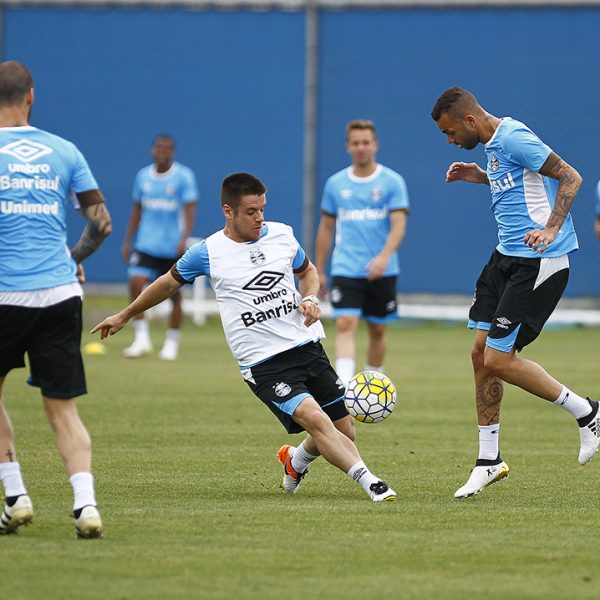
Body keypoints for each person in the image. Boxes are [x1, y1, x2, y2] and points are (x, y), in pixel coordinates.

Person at [92, 172, 397, 502]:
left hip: (306, 347)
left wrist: (310, 297)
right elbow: (167, 283)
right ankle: (370, 481)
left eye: (262, 209)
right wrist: (125, 314)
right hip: (264, 363)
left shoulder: (281, 235)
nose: (259, 217)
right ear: (228, 211)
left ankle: (295, 461)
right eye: (251, 211)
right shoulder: (207, 251)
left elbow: (307, 271)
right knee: (316, 419)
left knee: (343, 428)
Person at [431, 86, 599, 498]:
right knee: (479, 354)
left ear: (469, 120)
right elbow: (515, 177)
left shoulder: (513, 136)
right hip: (505, 257)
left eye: (451, 132)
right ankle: (488, 461)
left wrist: (552, 228)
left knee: (498, 359)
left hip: (539, 262)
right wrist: (478, 176)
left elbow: (570, 176)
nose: (450, 141)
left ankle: (588, 412)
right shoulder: (492, 144)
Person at [0, 61, 111, 537]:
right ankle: (86, 507)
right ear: (31, 97)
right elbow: (101, 222)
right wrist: (73, 255)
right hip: (61, 293)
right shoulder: (63, 149)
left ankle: (16, 495)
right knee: (61, 407)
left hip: (4, 295)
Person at [315, 119, 409, 387]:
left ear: (375, 145)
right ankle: (346, 390)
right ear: (348, 147)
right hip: (346, 266)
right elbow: (326, 228)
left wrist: (383, 257)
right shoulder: (335, 184)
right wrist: (319, 269)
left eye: (366, 142)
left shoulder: (392, 182)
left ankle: (373, 387)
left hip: (383, 269)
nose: (361, 147)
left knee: (378, 328)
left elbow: (399, 225)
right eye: (355, 143)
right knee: (345, 323)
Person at [121, 134, 198, 360]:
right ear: (152, 150)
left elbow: (190, 208)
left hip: (171, 246)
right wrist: (128, 240)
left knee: (174, 295)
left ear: (172, 151)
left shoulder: (183, 176)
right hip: (146, 243)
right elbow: (137, 208)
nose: (162, 151)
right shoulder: (143, 176)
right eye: (158, 147)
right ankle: (142, 339)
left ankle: (172, 342)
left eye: (167, 148)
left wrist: (184, 238)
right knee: (135, 285)